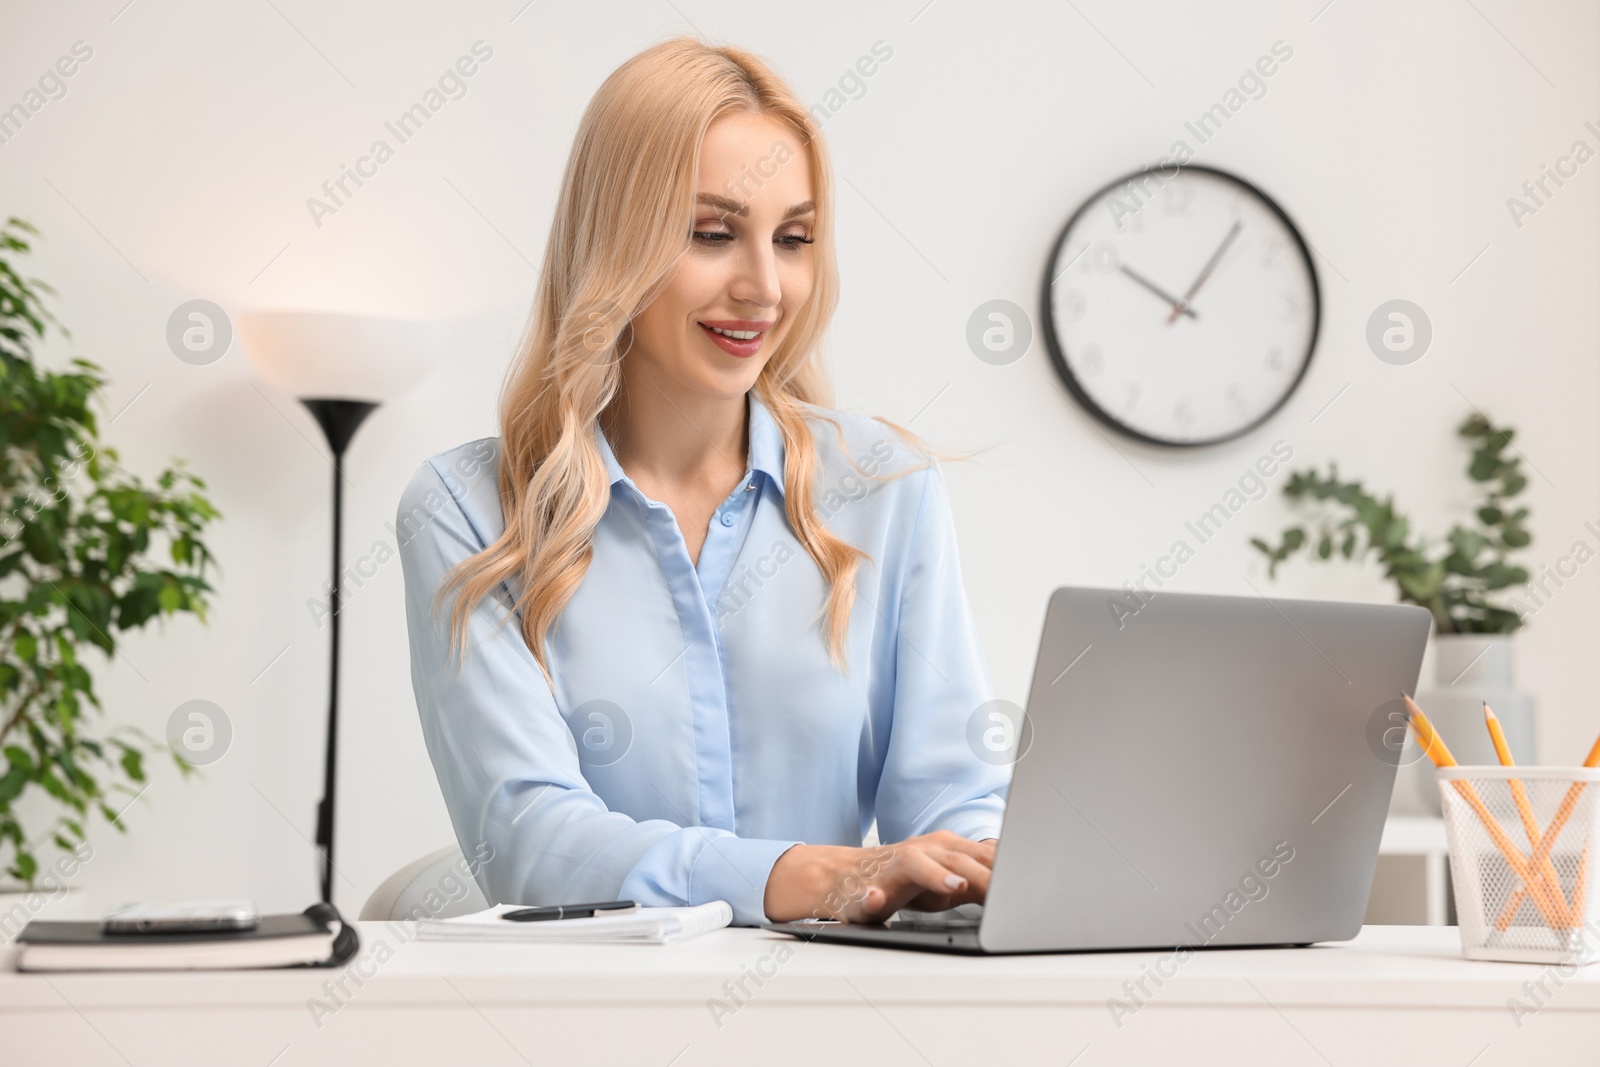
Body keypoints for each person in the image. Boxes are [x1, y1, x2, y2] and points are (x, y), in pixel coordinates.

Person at [397, 37, 1007, 928]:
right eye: (712, 233)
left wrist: (962, 871)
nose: (764, 286)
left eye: (793, 239)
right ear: (618, 241)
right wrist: (799, 877)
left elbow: (957, 799)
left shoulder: (882, 486)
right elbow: (527, 839)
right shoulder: (468, 511)